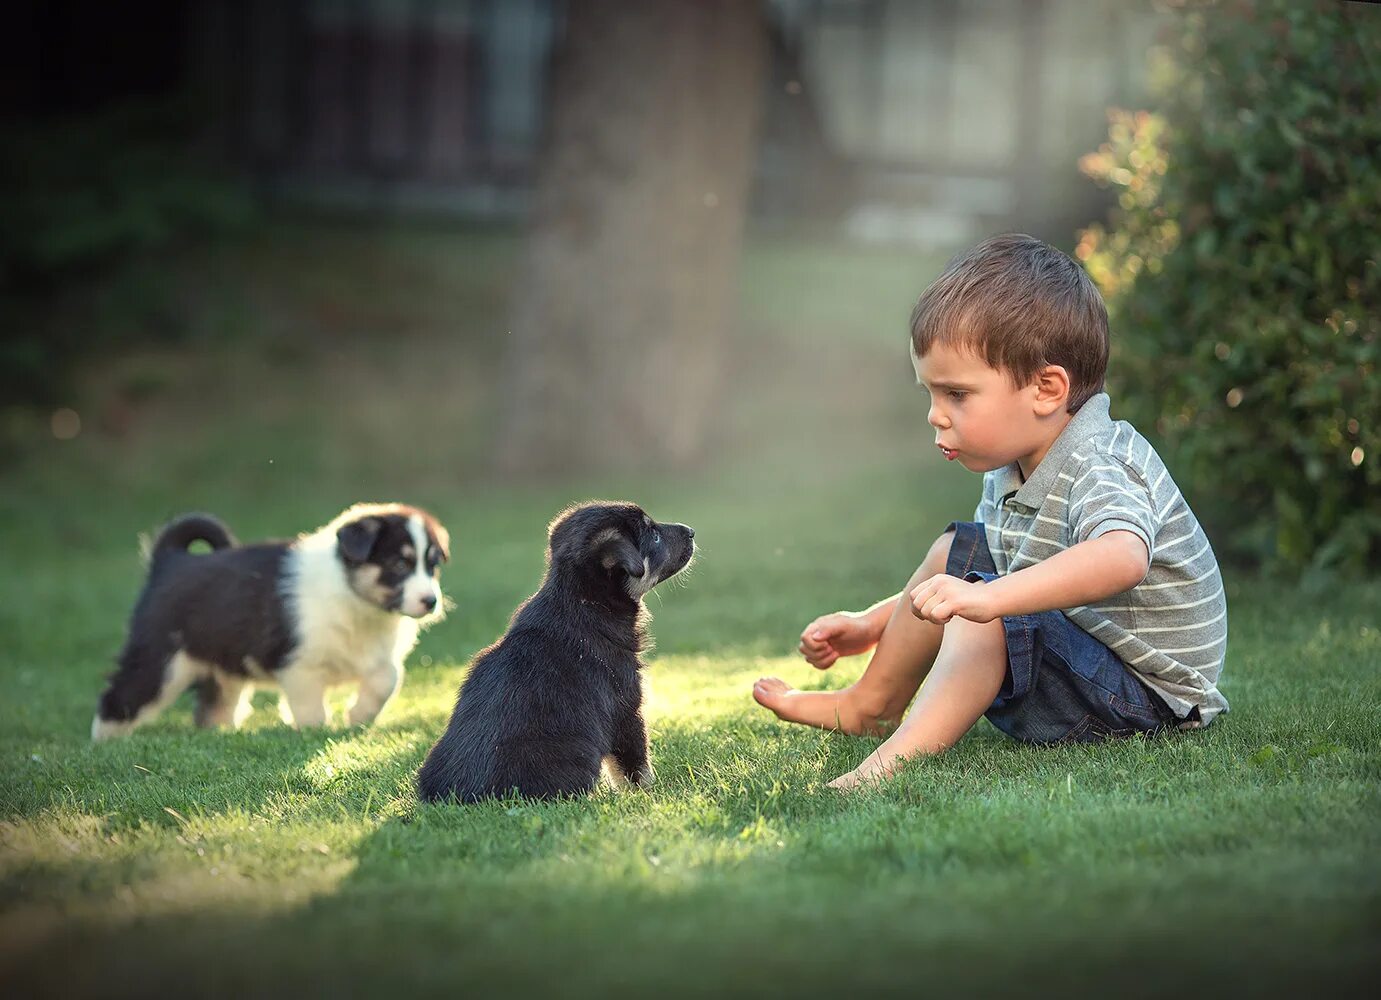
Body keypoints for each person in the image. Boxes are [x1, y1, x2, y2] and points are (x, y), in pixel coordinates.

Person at [752, 233, 1228, 790]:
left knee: (987, 611)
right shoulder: (1013, 466)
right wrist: (875, 624)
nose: (935, 415)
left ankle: (886, 767)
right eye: (930, 394)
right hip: (1091, 660)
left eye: (957, 395)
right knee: (958, 551)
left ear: (1046, 390)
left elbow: (1122, 557)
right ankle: (872, 702)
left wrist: (986, 599)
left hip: (1147, 698)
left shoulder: (1101, 463)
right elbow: (995, 567)